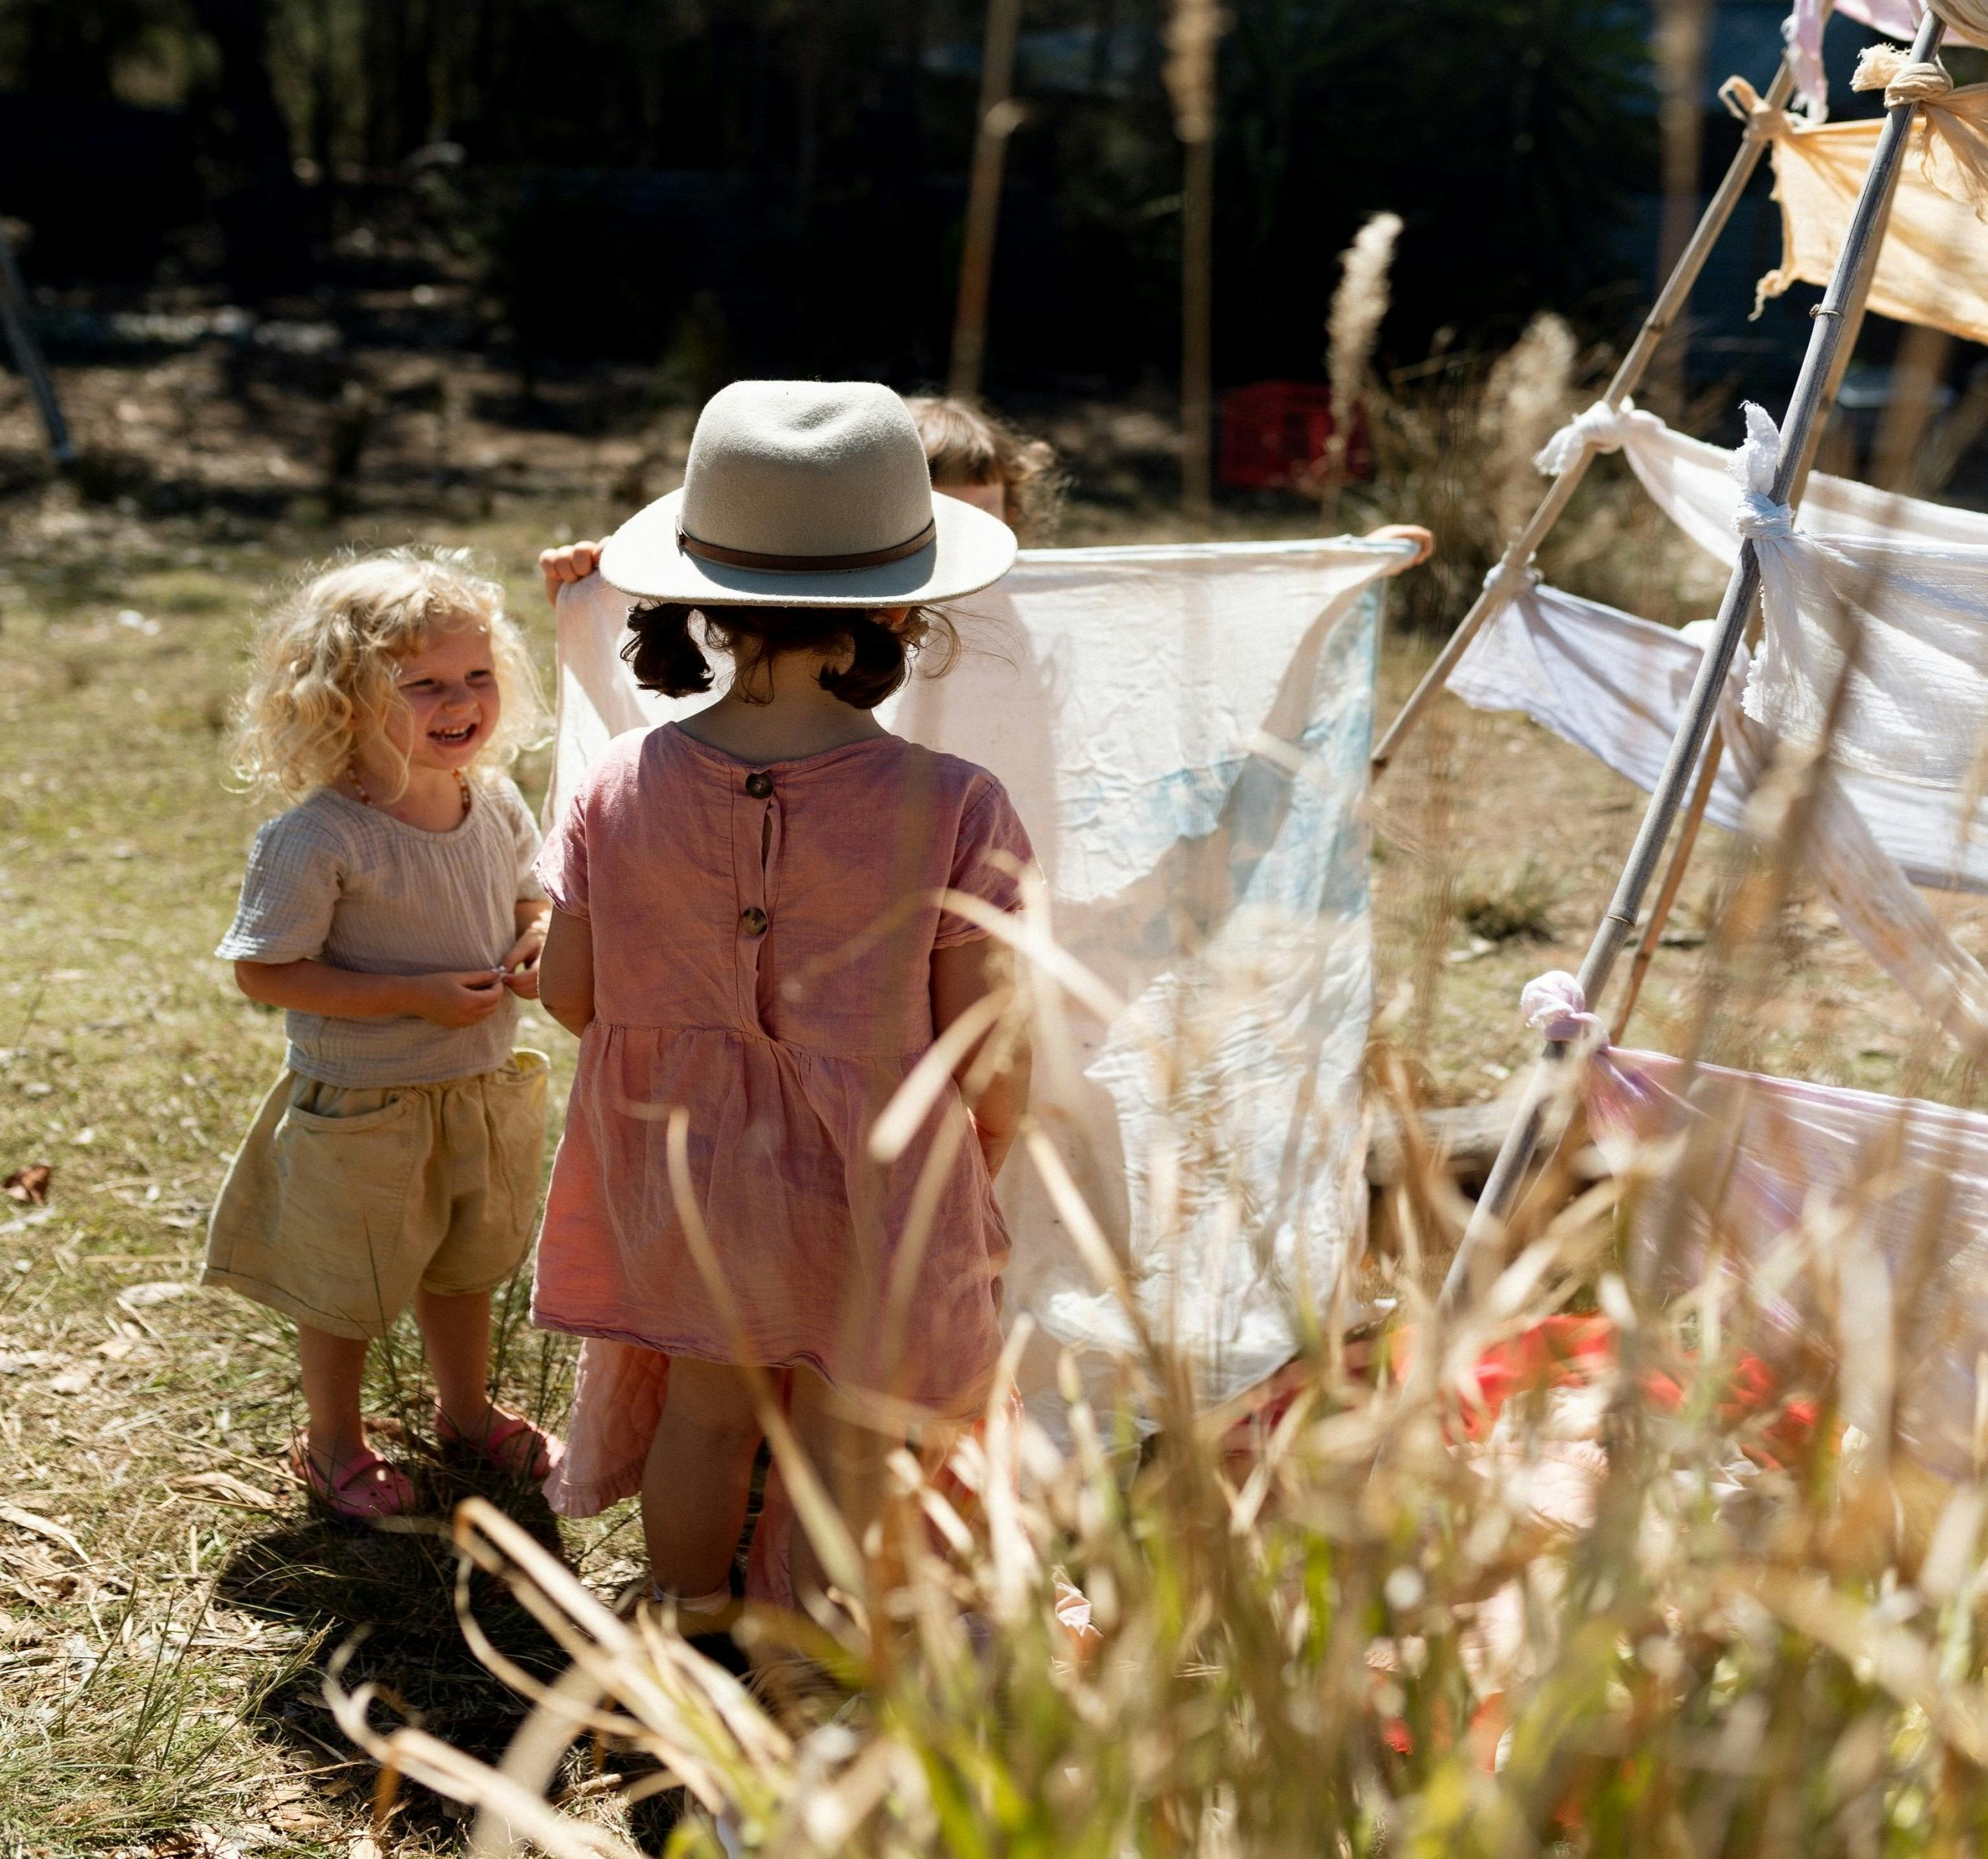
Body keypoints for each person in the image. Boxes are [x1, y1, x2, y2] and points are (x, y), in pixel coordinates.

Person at [529, 379, 1032, 1617]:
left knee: (707, 1405)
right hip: (887, 1173)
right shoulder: (956, 802)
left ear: (697, 593)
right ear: (901, 607)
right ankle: (822, 1640)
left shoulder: (616, 783)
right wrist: (997, 1143)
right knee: (855, 1428)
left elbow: (569, 994)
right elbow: (986, 1036)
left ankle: (686, 1609)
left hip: (682, 1162)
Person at [207, 548, 562, 1521]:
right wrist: (411, 997)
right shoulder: (319, 838)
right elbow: (264, 971)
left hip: (478, 1083)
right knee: (346, 1283)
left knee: (467, 1259)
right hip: (365, 1102)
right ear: (345, 700)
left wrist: (535, 941)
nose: (463, 701)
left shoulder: (490, 797)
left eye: (478, 676)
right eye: (425, 685)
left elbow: (532, 898)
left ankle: (463, 1410)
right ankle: (332, 1444)